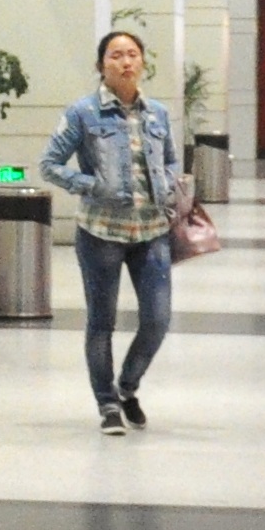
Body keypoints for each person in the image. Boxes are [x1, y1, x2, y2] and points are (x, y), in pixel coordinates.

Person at [41, 28, 180, 435]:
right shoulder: (83, 112)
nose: (125, 62)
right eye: (116, 55)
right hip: (101, 231)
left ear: (142, 62)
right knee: (102, 322)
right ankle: (106, 403)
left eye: (132, 54)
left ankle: (127, 387)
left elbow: (172, 160)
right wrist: (91, 184)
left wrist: (169, 182)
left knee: (157, 320)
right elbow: (50, 164)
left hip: (151, 230)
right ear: (102, 65)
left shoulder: (158, 113)